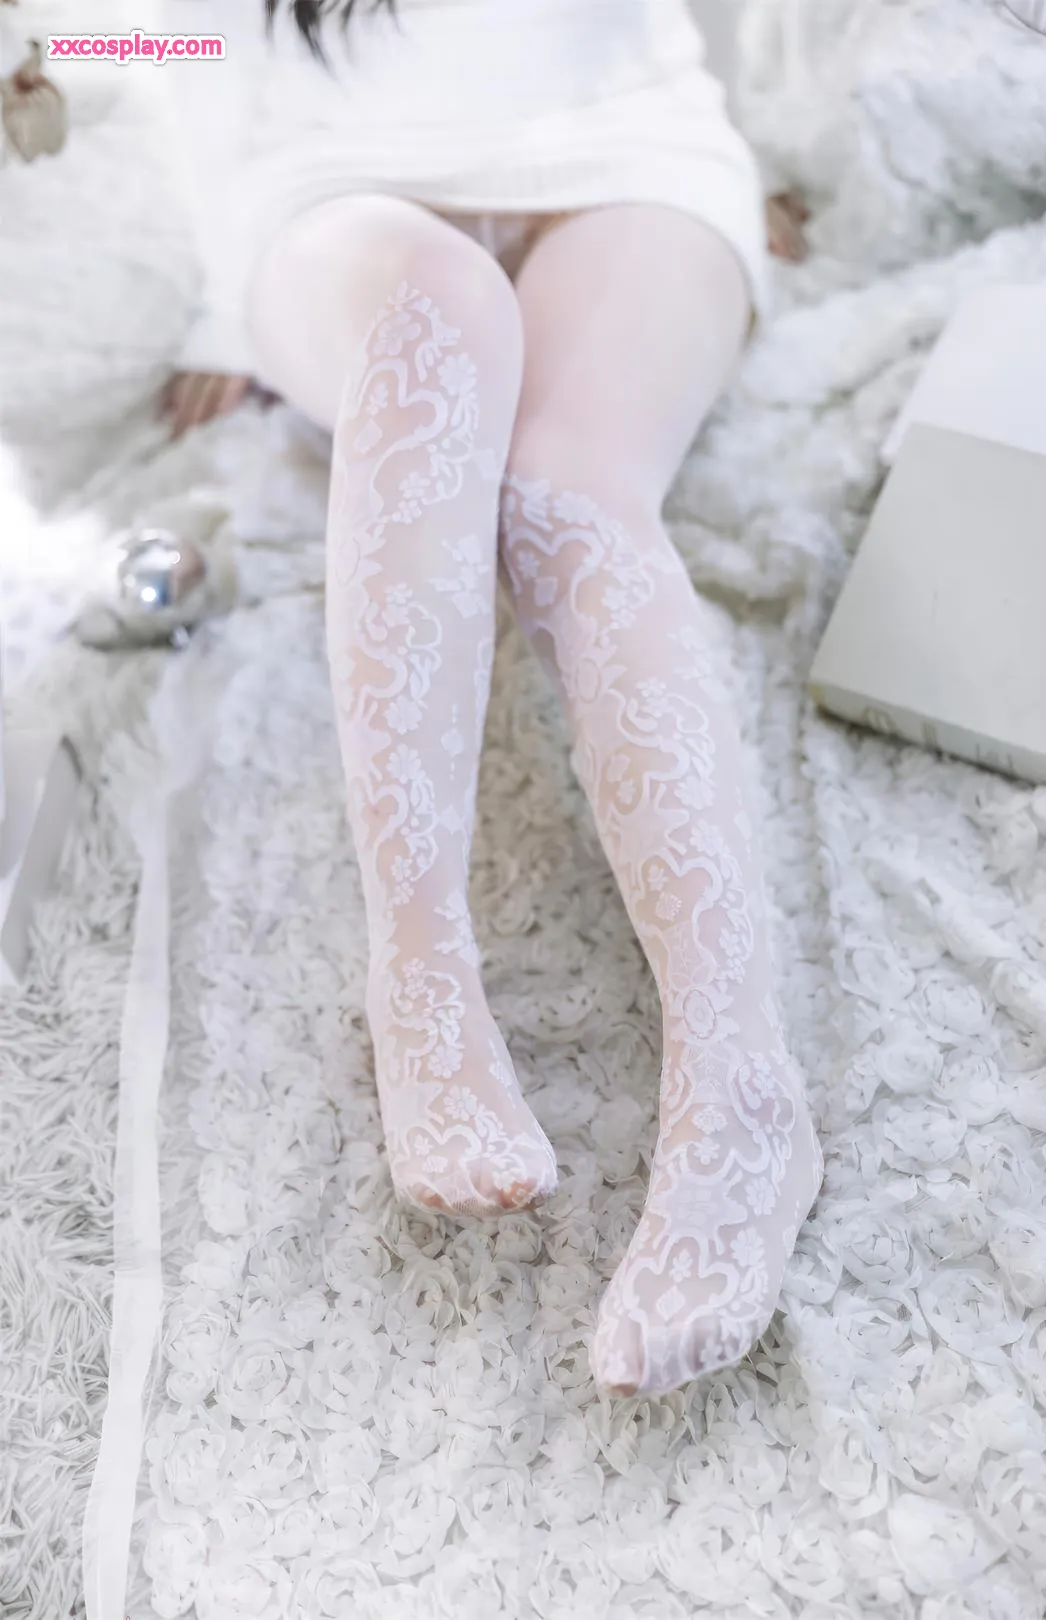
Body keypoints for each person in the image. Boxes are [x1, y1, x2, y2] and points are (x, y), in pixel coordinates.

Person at [157, 0, 824, 1400]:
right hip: (334, 183)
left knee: (564, 497)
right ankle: (419, 974)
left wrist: (772, 134)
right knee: (437, 317)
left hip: (626, 153)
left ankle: (743, 1096)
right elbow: (132, 39)